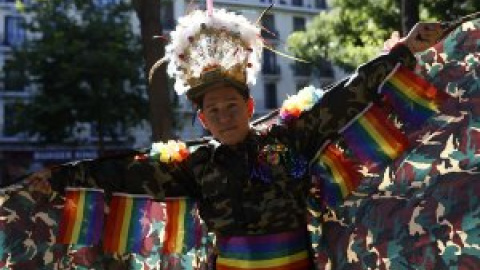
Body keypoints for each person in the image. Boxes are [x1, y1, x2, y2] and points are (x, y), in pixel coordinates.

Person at [24, 8, 448, 269]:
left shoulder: (289, 134)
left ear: (248, 108)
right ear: (203, 120)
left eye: (231, 106)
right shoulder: (196, 164)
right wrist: (60, 177)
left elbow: (346, 97)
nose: (224, 115)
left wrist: (403, 50)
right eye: (214, 111)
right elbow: (125, 173)